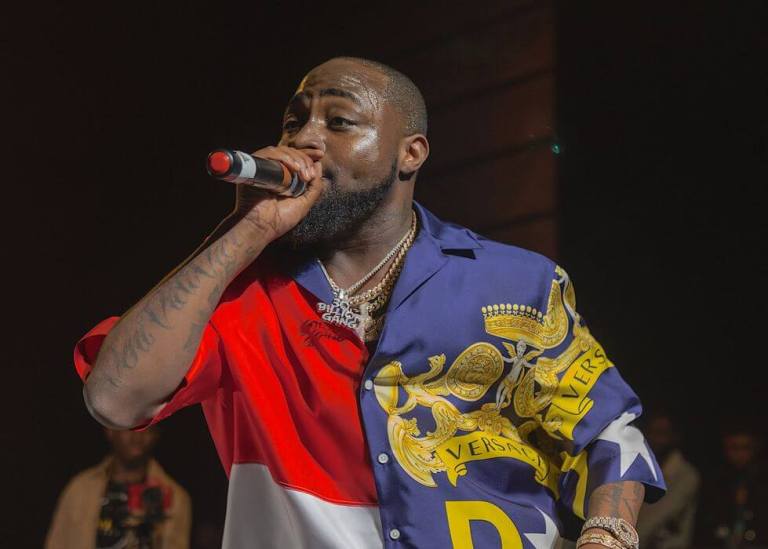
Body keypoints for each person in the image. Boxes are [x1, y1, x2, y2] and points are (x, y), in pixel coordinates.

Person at [74, 57, 665, 548]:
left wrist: (607, 534)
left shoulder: (515, 283)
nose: (305, 138)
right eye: (294, 122)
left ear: (411, 153)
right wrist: (246, 231)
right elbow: (115, 399)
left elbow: (607, 433)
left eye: (339, 121)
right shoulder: (238, 294)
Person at [45, 427, 191, 549]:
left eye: (146, 428)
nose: (137, 437)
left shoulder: (174, 497)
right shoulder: (81, 489)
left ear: (155, 434)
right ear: (110, 430)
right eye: (129, 428)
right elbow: (56, 543)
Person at [695, 424, 768, 548]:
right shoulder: (715, 483)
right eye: (734, 448)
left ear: (755, 448)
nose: (740, 454)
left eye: (746, 448)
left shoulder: (763, 483)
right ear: (725, 449)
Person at [636, 410, 700, 548]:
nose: (656, 439)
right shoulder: (640, 468)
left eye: (662, 433)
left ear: (675, 436)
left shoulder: (686, 475)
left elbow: (658, 518)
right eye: (652, 432)